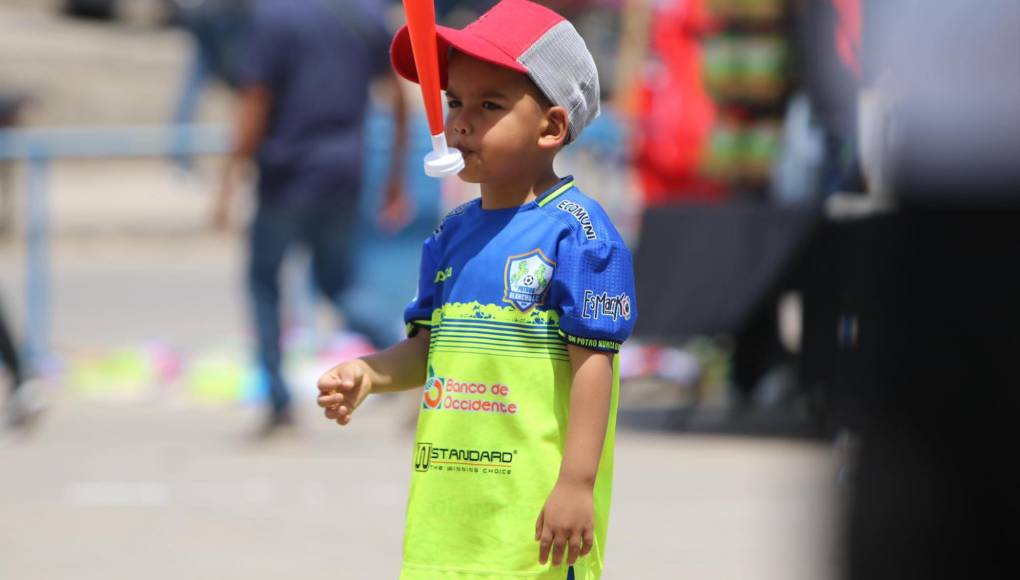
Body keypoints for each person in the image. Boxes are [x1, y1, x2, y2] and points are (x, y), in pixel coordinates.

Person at [316, 1, 637, 578]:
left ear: (551, 127)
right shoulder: (450, 234)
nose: (461, 121)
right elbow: (427, 349)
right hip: (448, 523)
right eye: (454, 102)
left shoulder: (580, 233)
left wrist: (575, 484)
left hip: (533, 525)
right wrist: (369, 372)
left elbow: (595, 366)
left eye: (489, 105)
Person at [214, 0, 410, 436]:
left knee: (264, 284)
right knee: (337, 284)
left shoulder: (274, 17)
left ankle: (279, 403)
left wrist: (228, 179)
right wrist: (397, 174)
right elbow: (397, 95)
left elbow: (255, 100)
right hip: (344, 173)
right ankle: (414, 357)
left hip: (285, 175)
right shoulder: (364, 14)